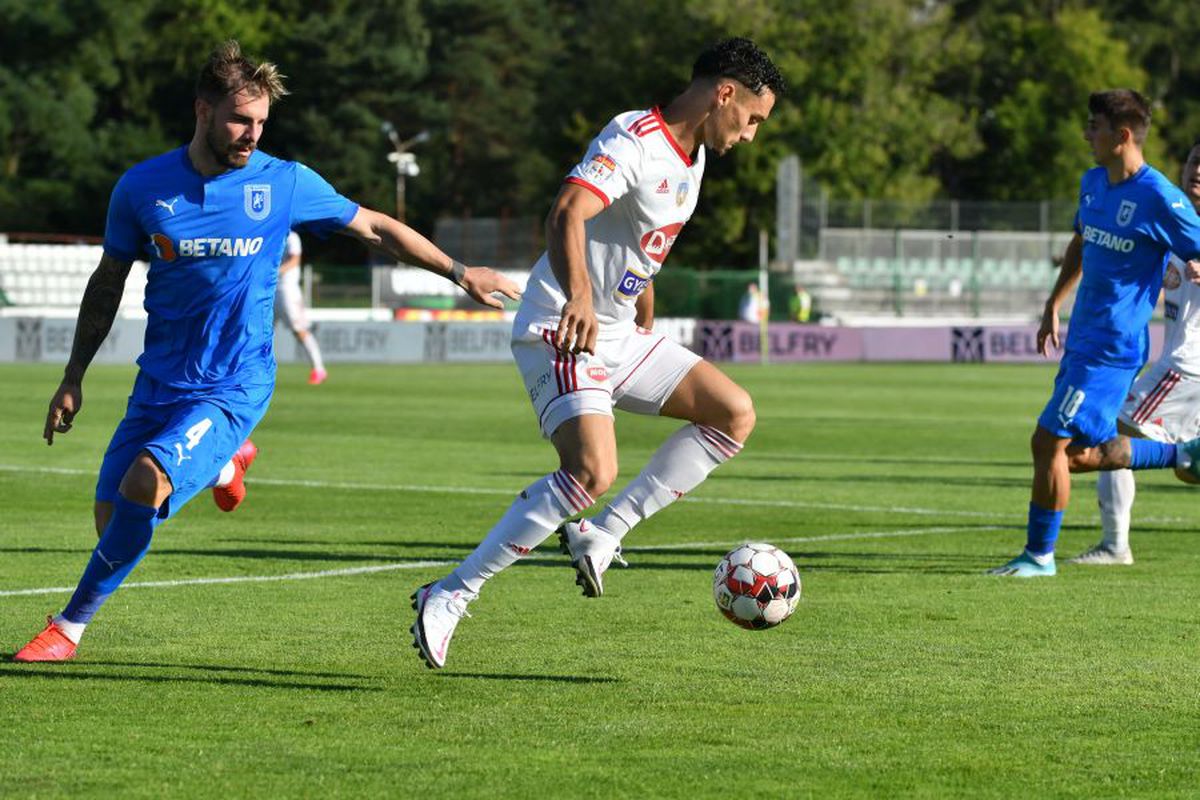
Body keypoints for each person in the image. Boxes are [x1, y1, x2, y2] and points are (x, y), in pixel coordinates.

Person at [12, 40, 519, 662]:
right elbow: (108, 280)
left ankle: (68, 628)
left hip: (236, 383)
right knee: (109, 520)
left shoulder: (284, 183)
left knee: (147, 483)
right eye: (239, 119)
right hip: (160, 384)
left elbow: (377, 227)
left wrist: (462, 272)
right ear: (202, 110)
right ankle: (226, 465)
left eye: (260, 123)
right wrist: (73, 377)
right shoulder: (141, 188)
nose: (251, 134)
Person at [411, 37, 784, 667]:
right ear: (725, 93)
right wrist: (581, 297)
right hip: (564, 325)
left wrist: (641, 297)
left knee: (733, 413)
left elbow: (640, 245)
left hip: (617, 331)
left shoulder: (693, 160)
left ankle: (604, 532)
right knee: (591, 472)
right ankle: (449, 593)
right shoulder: (633, 137)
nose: (750, 136)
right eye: (752, 119)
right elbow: (568, 212)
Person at [989, 90, 1200, 578]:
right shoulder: (1092, 183)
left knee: (1048, 442)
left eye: (1095, 126)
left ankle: (1040, 557)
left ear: (1122, 136)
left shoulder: (1160, 198)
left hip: (1112, 350)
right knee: (1080, 455)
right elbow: (1081, 242)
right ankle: (1182, 452)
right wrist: (1052, 305)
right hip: (1081, 341)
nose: (1087, 134)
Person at [1069, 138, 1200, 566]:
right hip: (1179, 365)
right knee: (1185, 470)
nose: (1197, 172)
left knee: (1110, 433)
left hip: (1185, 367)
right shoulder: (1168, 218)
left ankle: (1114, 545)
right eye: (1194, 162)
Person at [276, 231, 328, 385]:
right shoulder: (271, 233)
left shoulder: (292, 237)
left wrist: (275, 271)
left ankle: (319, 369)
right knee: (263, 332)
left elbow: (294, 260)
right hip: (270, 289)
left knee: (299, 330)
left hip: (288, 290)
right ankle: (256, 370)